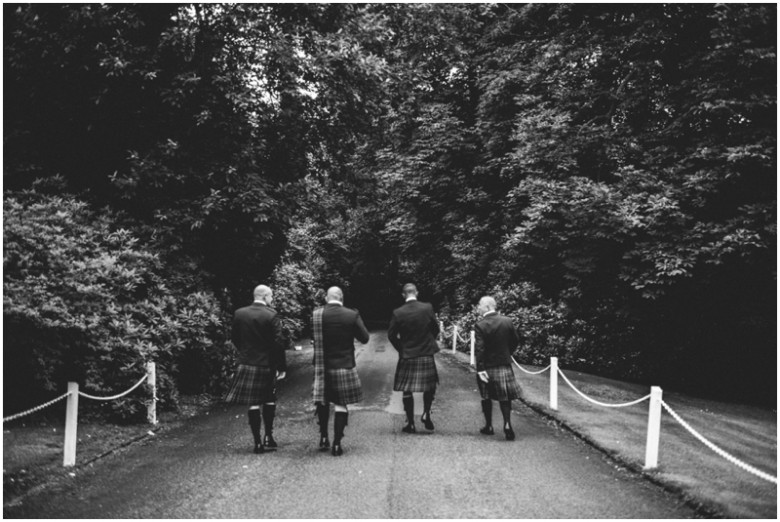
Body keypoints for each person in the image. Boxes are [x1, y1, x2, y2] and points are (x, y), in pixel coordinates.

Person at [224, 285, 288, 454]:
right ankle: (269, 436)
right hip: (266, 364)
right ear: (265, 296)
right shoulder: (271, 314)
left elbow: (235, 339)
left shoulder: (240, 313)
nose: (272, 299)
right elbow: (278, 343)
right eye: (271, 296)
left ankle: (257, 443)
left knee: (253, 403)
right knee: (268, 399)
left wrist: (245, 353)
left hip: (246, 362)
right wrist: (280, 366)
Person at [312, 286, 370, 456]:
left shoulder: (317, 314)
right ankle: (337, 444)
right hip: (344, 365)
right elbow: (365, 338)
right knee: (340, 403)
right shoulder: (351, 315)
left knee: (322, 400)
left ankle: (323, 437)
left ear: (326, 298)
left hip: (322, 365)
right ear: (342, 298)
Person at [387, 283, 440, 433]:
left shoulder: (398, 312)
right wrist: (429, 342)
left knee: (407, 389)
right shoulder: (427, 307)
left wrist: (402, 348)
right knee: (430, 386)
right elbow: (435, 329)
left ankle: (410, 423)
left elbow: (391, 335)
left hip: (408, 355)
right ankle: (426, 413)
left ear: (403, 295)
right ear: (417, 292)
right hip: (425, 353)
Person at [474, 296, 522, 440]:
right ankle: (507, 424)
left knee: (486, 396)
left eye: (480, 306)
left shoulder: (481, 325)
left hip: (487, 366)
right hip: (503, 364)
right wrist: (507, 353)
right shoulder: (507, 321)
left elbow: (480, 349)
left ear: (488, 307)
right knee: (505, 396)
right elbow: (515, 341)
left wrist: (480, 368)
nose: (478, 308)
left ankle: (489, 426)